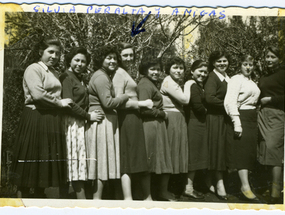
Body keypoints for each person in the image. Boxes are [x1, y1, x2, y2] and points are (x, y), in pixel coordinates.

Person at [12, 38, 73, 198]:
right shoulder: (33, 69)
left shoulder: (53, 72)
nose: (54, 56)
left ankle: (39, 201)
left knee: (43, 166)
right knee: (29, 164)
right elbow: (38, 95)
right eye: (50, 52)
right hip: (36, 117)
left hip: (49, 119)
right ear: (41, 52)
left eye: (57, 53)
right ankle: (21, 203)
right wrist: (59, 103)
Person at [60, 47, 105, 199]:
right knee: (75, 161)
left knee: (78, 161)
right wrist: (88, 116)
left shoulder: (80, 78)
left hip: (80, 123)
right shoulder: (67, 77)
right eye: (76, 60)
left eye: (83, 61)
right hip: (71, 123)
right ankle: (81, 200)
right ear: (70, 60)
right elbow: (69, 104)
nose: (80, 64)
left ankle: (71, 199)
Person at [85, 45, 129, 200]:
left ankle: (100, 198)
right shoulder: (101, 77)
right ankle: (97, 200)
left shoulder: (104, 75)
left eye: (115, 58)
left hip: (106, 121)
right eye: (108, 58)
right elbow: (108, 103)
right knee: (102, 162)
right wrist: (124, 97)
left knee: (103, 161)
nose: (112, 61)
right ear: (101, 59)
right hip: (102, 121)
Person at [113, 43, 153, 200]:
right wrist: (142, 104)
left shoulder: (125, 72)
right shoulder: (118, 73)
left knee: (137, 157)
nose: (129, 58)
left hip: (133, 117)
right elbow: (119, 101)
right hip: (127, 117)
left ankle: (145, 197)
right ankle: (128, 199)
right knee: (128, 158)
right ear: (119, 57)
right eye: (125, 55)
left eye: (131, 55)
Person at [137, 56, 174, 201]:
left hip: (157, 125)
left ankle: (162, 193)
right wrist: (162, 113)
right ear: (145, 70)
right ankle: (147, 196)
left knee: (162, 159)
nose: (156, 72)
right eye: (152, 69)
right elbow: (144, 109)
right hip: (150, 124)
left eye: (158, 69)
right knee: (149, 161)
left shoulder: (152, 83)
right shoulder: (144, 84)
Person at [224, 54, 260, 202]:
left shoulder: (252, 81)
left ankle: (246, 184)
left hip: (252, 117)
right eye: (245, 64)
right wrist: (236, 122)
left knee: (250, 151)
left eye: (251, 65)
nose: (248, 67)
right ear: (240, 65)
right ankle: (244, 187)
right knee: (243, 153)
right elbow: (229, 101)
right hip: (241, 116)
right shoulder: (236, 79)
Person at [160, 57, 193, 197]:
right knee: (171, 153)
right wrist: (190, 84)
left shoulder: (174, 82)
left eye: (181, 68)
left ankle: (170, 189)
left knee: (176, 153)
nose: (179, 71)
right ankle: (163, 191)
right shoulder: (168, 82)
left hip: (177, 118)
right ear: (168, 69)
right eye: (175, 67)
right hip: (172, 118)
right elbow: (185, 100)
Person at [257, 46, 285, 204]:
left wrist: (270, 100)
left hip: (277, 114)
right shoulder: (263, 76)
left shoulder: (283, 73)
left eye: (273, 57)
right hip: (262, 115)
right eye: (267, 56)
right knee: (264, 150)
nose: (269, 60)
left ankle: (276, 189)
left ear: (279, 59)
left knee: (274, 149)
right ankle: (268, 186)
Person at [204, 51, 230, 200]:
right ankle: (219, 183)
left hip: (224, 119)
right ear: (213, 63)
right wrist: (229, 105)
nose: (222, 64)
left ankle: (209, 180)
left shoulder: (227, 78)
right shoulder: (212, 77)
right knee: (217, 151)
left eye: (224, 61)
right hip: (214, 118)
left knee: (222, 151)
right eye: (219, 61)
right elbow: (210, 98)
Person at [183, 60, 208, 199]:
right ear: (192, 71)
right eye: (200, 71)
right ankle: (188, 188)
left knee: (198, 154)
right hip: (194, 123)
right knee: (194, 155)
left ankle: (191, 186)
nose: (203, 74)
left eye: (205, 72)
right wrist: (208, 111)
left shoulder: (198, 85)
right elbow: (197, 106)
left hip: (199, 123)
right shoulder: (192, 84)